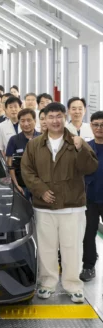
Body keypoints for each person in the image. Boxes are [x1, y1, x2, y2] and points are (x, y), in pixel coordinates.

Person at [21, 102, 98, 304]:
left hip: (72, 206)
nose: (55, 121)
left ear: (65, 118)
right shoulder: (34, 145)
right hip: (44, 207)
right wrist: (40, 190)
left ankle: (73, 286)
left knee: (71, 248)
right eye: (50, 117)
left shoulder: (76, 141)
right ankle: (47, 284)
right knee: (46, 248)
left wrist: (81, 148)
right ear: (44, 120)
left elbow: (90, 167)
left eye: (59, 116)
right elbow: (27, 171)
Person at [80, 111, 103, 282]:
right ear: (91, 126)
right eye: (96, 124)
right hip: (90, 198)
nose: (99, 128)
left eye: (102, 125)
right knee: (88, 234)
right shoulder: (86, 148)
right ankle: (88, 266)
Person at [6, 109, 40, 199]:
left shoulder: (42, 138)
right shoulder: (13, 140)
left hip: (39, 185)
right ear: (19, 122)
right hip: (21, 185)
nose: (26, 124)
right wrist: (16, 185)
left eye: (29, 120)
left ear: (35, 121)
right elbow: (10, 164)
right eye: (22, 121)